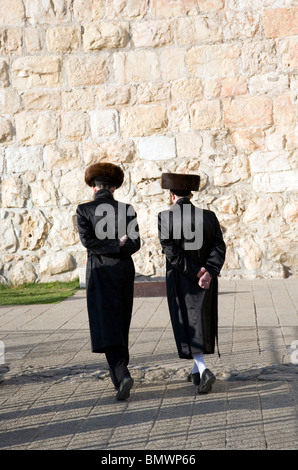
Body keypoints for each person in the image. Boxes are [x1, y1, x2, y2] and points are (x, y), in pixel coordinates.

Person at [76, 162, 140, 400]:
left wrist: (109, 246)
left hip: (99, 271)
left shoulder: (83, 210)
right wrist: (118, 244)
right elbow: (135, 243)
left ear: (93, 187)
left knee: (106, 322)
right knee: (122, 320)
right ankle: (121, 374)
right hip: (123, 271)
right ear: (114, 187)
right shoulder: (127, 209)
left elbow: (88, 242)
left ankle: (122, 374)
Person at [158, 172, 226, 394]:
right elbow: (219, 246)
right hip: (207, 280)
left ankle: (204, 370)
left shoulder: (165, 217)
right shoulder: (209, 216)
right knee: (200, 322)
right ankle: (196, 371)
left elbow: (171, 252)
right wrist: (209, 271)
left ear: (171, 195)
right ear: (190, 194)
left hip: (181, 278)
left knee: (188, 323)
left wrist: (196, 272)